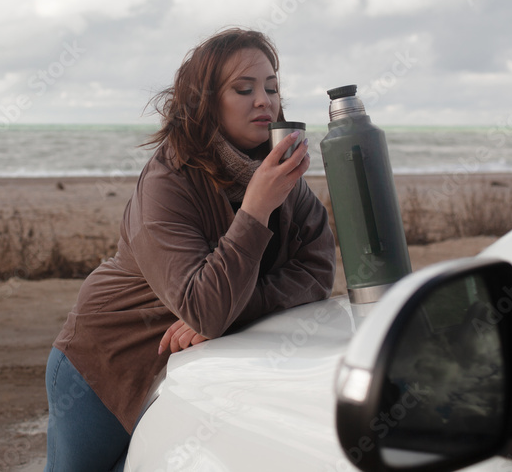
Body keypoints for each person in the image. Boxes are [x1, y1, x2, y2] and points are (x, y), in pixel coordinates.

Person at [44, 27, 337, 471]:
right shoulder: (169, 180)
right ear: (206, 101)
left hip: (190, 375)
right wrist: (255, 209)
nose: (265, 100)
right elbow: (206, 309)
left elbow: (317, 272)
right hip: (107, 362)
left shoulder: (275, 175)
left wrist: (233, 311)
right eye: (244, 88)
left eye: (272, 87)